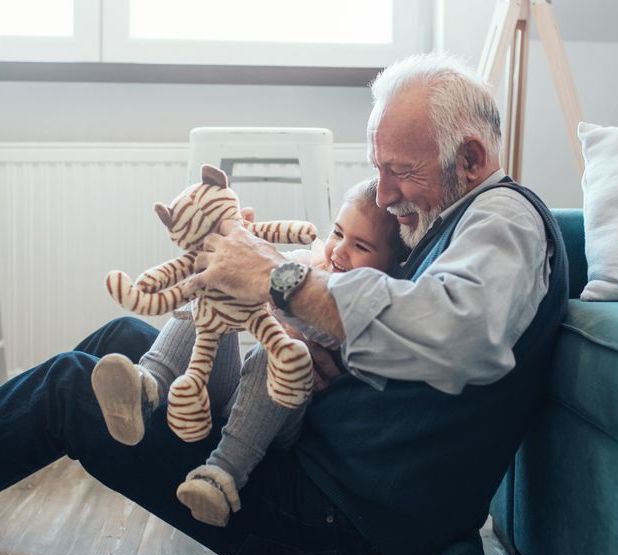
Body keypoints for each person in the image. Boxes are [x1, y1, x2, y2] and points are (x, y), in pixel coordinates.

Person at [0, 52, 568, 555]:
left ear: (469, 157)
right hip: (322, 470)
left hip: (342, 528)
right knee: (120, 343)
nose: (385, 192)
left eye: (402, 170)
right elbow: (409, 342)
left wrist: (280, 280)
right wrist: (322, 343)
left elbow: (461, 334)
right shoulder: (453, 217)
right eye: (378, 167)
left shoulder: (504, 219)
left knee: (71, 396)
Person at [91, 177, 408, 527]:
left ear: (390, 267)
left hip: (278, 422)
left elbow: (326, 331)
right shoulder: (313, 261)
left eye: (361, 246)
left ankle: (221, 474)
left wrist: (291, 312)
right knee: (214, 289)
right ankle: (146, 386)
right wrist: (239, 252)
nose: (338, 251)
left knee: (276, 354)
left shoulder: (367, 308)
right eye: (337, 232)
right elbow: (258, 267)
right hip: (236, 399)